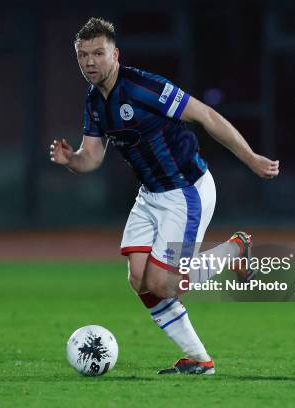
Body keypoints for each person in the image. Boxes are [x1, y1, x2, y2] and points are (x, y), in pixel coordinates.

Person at [50, 17, 279, 375]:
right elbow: (92, 156)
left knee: (161, 284)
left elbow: (205, 115)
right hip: (151, 196)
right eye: (83, 55)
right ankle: (199, 360)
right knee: (138, 279)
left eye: (98, 53)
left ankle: (235, 249)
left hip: (186, 191)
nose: (90, 62)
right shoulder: (95, 101)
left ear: (115, 54)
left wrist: (249, 157)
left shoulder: (143, 87)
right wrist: (71, 160)